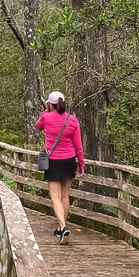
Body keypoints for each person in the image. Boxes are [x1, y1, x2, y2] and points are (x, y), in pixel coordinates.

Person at [35, 91, 85, 245]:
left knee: (55, 197)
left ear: (50, 104)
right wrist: (81, 164)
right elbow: (78, 145)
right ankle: (59, 228)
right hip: (70, 160)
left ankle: (63, 227)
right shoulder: (72, 119)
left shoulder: (47, 117)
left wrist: (46, 110)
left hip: (54, 161)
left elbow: (38, 126)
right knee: (65, 196)